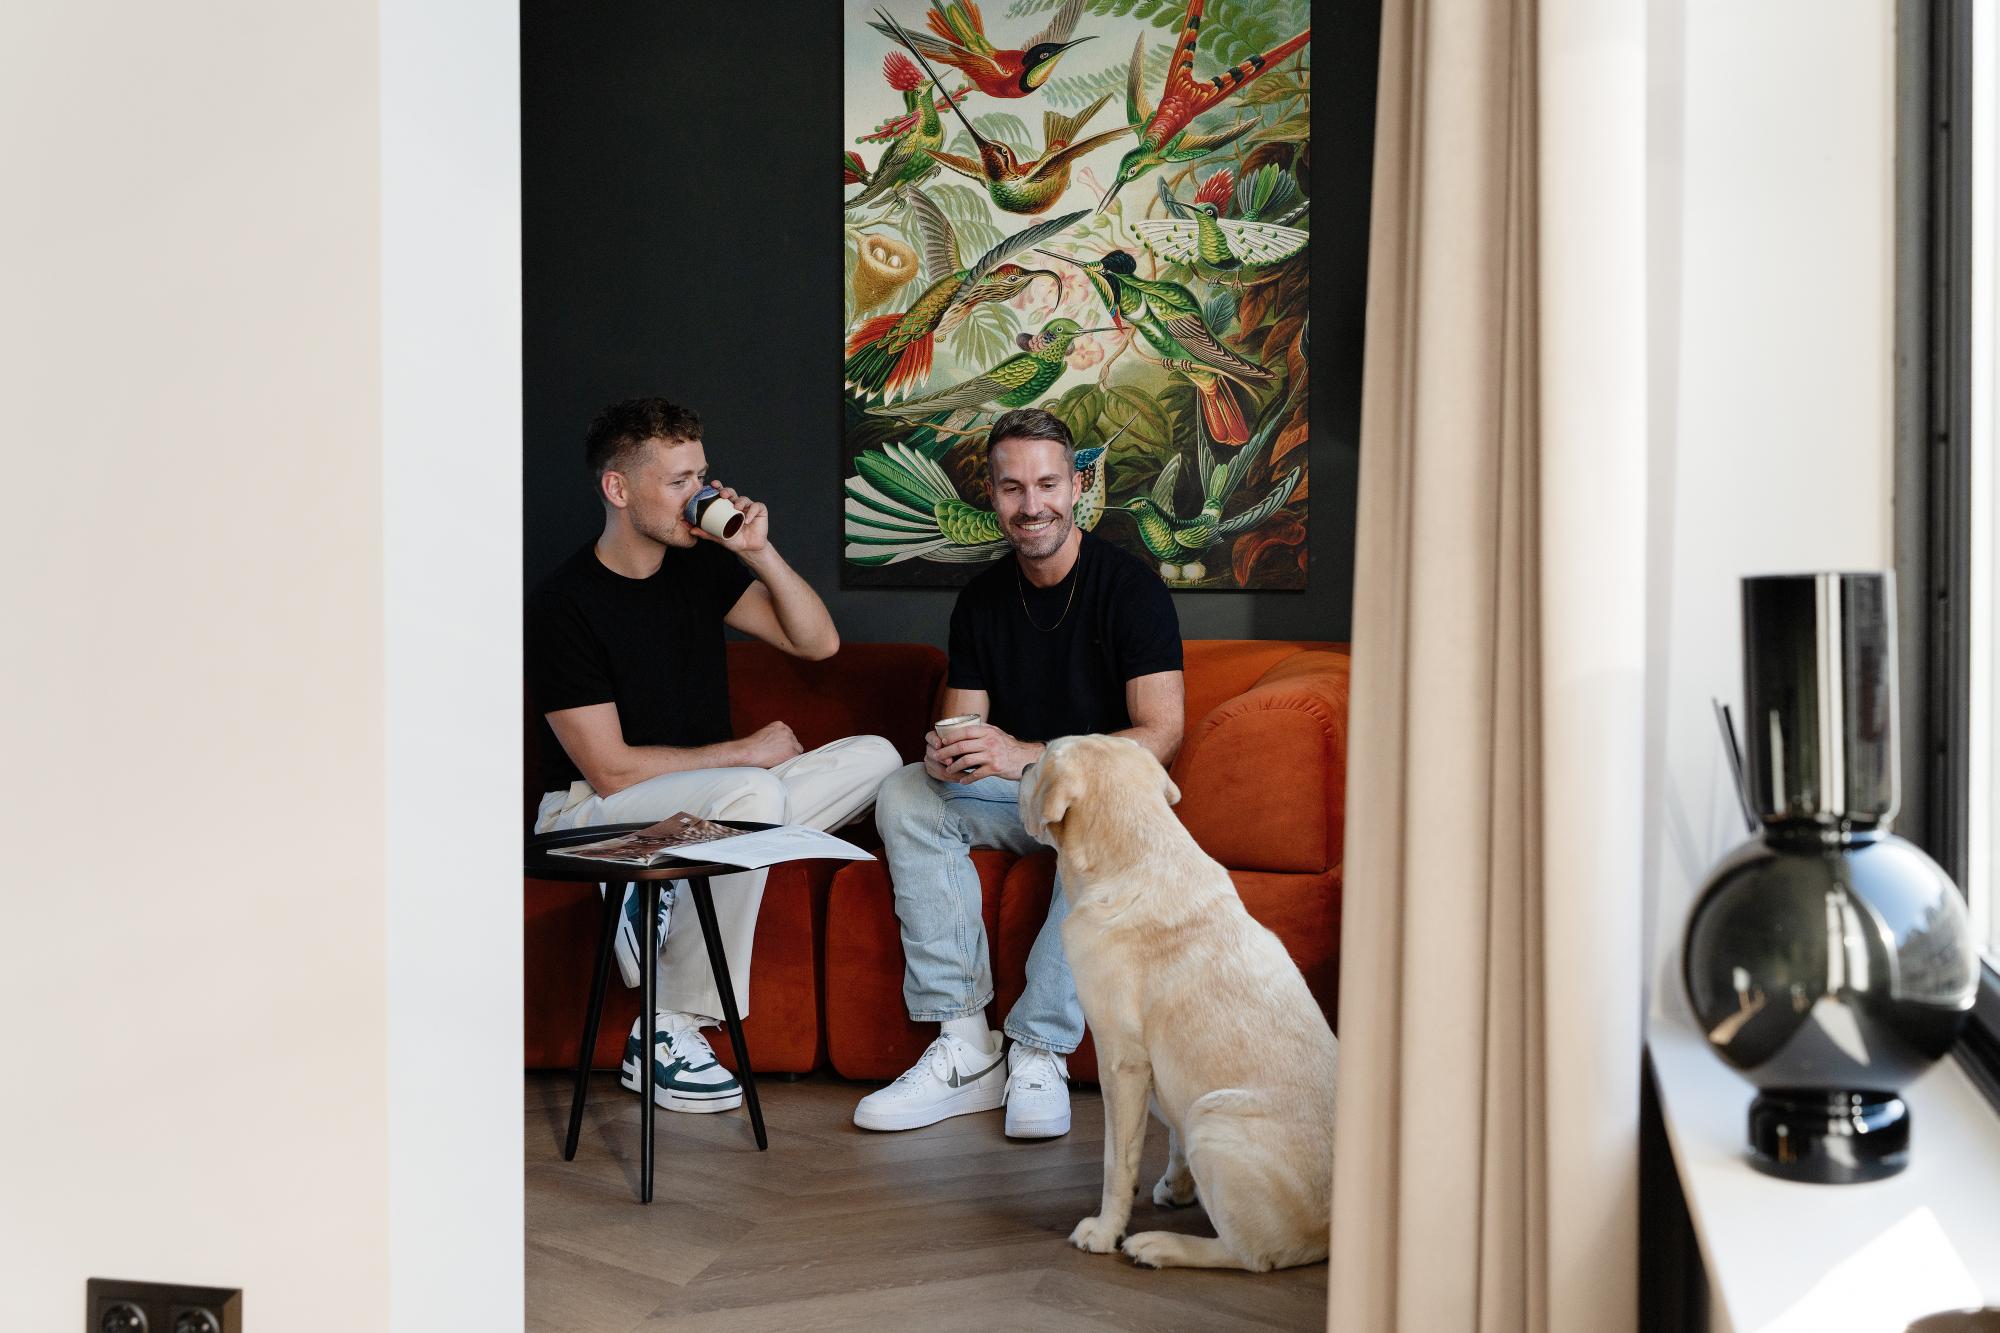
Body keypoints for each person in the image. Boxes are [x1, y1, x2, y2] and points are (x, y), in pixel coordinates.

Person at [528, 397, 901, 1115]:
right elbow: (606, 768)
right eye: (677, 481)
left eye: (702, 473)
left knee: (879, 757)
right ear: (618, 488)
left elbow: (817, 643)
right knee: (755, 800)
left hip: (707, 804)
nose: (700, 493)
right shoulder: (562, 604)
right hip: (588, 814)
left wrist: (757, 550)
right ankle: (671, 1021)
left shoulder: (697, 568)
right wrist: (747, 754)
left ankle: (657, 889)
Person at [855, 407, 1186, 1138]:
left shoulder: (1131, 588)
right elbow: (966, 727)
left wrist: (1025, 753)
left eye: (1046, 484)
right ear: (993, 495)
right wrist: (950, 752)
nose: (1030, 505)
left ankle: (1038, 1051)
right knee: (908, 790)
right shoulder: (980, 601)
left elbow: (1160, 734)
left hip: (1106, 795)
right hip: (1021, 797)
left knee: (1107, 816)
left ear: (1076, 486)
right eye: (1012, 488)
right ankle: (967, 1047)